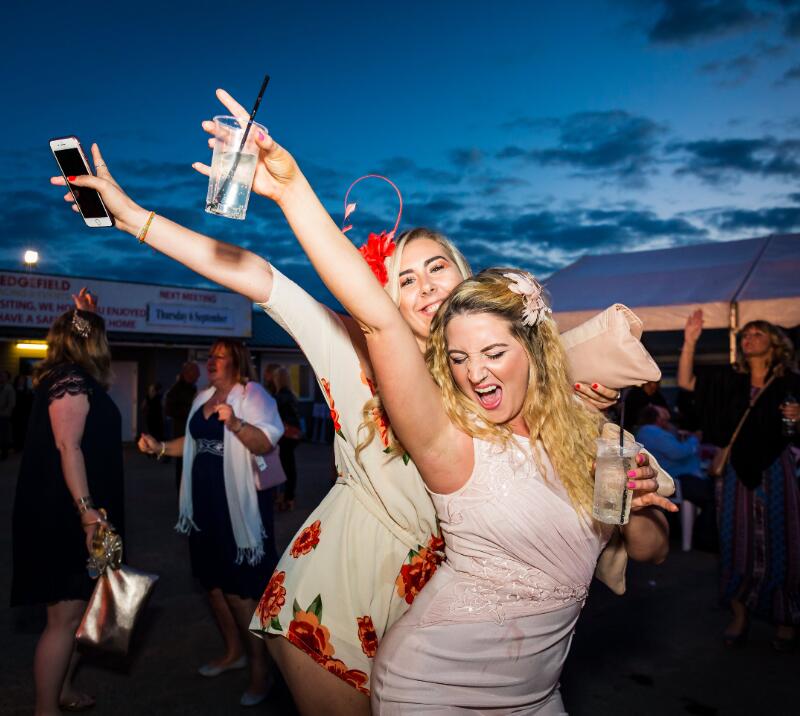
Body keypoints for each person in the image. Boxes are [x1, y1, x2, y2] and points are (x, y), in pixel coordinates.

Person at [53, 104, 673, 714]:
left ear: (466, 283)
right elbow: (262, 278)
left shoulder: (501, 382)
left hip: (453, 607)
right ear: (381, 295)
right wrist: (133, 218)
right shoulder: (356, 355)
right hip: (341, 592)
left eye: (438, 269)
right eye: (404, 278)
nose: (425, 285)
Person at [259, 162, 673, 709]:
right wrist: (288, 191)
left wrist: (629, 486)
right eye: (461, 359)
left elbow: (649, 547)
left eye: (494, 353)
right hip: (358, 593)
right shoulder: (429, 411)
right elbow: (366, 316)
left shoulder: (585, 434)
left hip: (509, 664)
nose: (477, 371)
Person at [137, 340, 283, 706]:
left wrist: (234, 421)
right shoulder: (202, 398)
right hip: (203, 509)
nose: (211, 361)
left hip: (235, 510)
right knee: (214, 587)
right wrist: (158, 448)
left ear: (236, 360)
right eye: (210, 356)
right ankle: (233, 653)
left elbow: (265, 443)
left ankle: (260, 673)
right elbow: (190, 443)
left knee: (239, 593)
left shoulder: (253, 394)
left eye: (219, 355)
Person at [11, 288, 123, 715]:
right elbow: (67, 447)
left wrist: (86, 314)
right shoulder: (72, 380)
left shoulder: (69, 376)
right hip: (67, 514)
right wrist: (87, 514)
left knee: (82, 614)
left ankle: (62, 689)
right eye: (100, 336)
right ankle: (46, 708)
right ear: (90, 343)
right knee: (63, 620)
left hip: (78, 510)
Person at [678, 309, 800, 650]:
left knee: (785, 540)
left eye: (757, 333)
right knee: (735, 540)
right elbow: (687, 383)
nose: (748, 339)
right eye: (745, 335)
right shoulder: (730, 380)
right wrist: (689, 342)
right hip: (735, 472)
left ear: (775, 343)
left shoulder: (791, 383)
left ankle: (786, 618)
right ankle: (739, 615)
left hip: (777, 470)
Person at [636, 405, 712, 551]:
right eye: (665, 418)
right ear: (658, 419)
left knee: (707, 492)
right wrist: (694, 440)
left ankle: (684, 534)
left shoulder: (646, 432)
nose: (668, 421)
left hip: (671, 479)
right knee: (711, 496)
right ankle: (704, 539)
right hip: (677, 480)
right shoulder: (653, 432)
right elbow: (678, 452)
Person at [164, 361, 200, 490]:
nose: (199, 376)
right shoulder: (176, 389)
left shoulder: (192, 388)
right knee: (182, 467)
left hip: (190, 432)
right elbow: (169, 409)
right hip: (181, 433)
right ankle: (182, 495)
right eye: (196, 373)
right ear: (187, 373)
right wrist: (190, 410)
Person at [273, 366, 302, 511]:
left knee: (282, 468)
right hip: (294, 435)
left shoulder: (278, 397)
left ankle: (283, 497)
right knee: (290, 466)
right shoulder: (292, 395)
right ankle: (289, 497)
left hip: (283, 436)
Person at [12, 374, 34, 453]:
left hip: (25, 413)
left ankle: (22, 447)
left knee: (23, 430)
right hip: (15, 413)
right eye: (20, 379)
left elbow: (30, 403)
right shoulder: (13, 389)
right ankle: (16, 446)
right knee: (15, 430)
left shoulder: (28, 391)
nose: (21, 381)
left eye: (23, 380)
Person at [0, 369, 15, 460]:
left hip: (4, 415)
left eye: (3, 376)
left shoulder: (9, 388)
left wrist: (6, 413)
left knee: (3, 435)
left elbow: (12, 403)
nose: (1, 377)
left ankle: (4, 453)